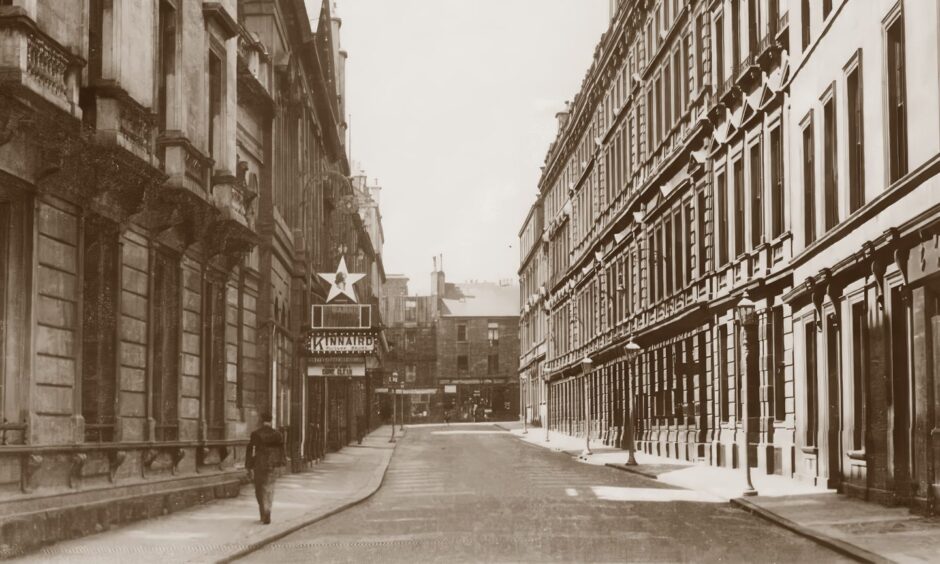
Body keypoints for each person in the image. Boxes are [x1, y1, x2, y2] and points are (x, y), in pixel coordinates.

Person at [245, 412, 285, 524]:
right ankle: (268, 511)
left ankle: (264, 513)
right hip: (273, 465)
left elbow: (251, 451)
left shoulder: (256, 434)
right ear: (271, 421)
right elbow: (281, 451)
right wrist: (281, 465)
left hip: (259, 465)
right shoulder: (277, 435)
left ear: (261, 420)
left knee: (259, 489)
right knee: (269, 489)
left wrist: (249, 466)